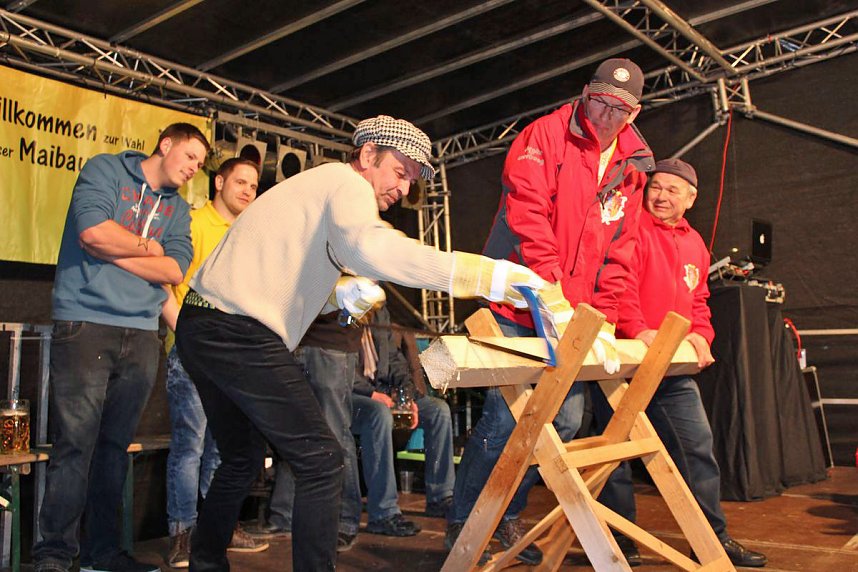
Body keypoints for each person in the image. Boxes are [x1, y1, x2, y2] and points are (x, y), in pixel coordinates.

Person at [173, 114, 556, 572]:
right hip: (234, 329)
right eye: (400, 173)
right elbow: (371, 249)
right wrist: (482, 274)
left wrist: (338, 298)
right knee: (320, 459)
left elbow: (278, 277)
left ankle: (206, 561)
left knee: (241, 456)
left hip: (203, 323)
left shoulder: (321, 196)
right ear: (368, 154)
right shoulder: (344, 183)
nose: (403, 190)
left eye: (412, 182)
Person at [447, 58, 655, 566]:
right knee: (505, 418)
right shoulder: (544, 135)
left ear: (635, 112)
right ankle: (467, 522)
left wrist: (601, 319)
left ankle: (506, 510)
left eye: (619, 109)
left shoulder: (633, 166)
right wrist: (553, 296)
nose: (605, 116)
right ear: (586, 92)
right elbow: (528, 217)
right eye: (600, 101)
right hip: (520, 300)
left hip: (575, 315)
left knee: (565, 419)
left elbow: (621, 250)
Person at [33, 123, 209, 572]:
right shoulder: (106, 171)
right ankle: (53, 554)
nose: (194, 169)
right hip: (87, 322)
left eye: (200, 165)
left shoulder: (178, 211)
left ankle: (102, 553)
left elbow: (174, 269)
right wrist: (145, 248)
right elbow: (91, 232)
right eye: (190, 157)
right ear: (166, 144)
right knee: (75, 445)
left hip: (142, 332)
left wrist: (119, 249)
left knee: (114, 448)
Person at [592, 158, 768, 568]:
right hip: (624, 360)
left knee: (697, 447)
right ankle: (620, 542)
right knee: (613, 452)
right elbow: (619, 285)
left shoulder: (695, 244)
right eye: (656, 186)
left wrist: (700, 336)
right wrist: (636, 329)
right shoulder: (629, 227)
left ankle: (711, 540)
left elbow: (699, 301)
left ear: (691, 199)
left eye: (673, 190)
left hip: (671, 367)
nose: (661, 195)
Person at [257, 303, 455, 550]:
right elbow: (338, 371)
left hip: (381, 393)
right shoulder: (339, 313)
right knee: (378, 415)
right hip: (353, 394)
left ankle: (440, 497)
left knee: (438, 411)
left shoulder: (380, 312)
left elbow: (394, 359)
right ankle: (383, 511)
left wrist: (407, 395)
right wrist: (372, 394)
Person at [160, 158, 268, 568]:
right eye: (239, 181)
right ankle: (183, 532)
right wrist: (186, 337)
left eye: (253, 185)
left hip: (232, 358)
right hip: (192, 355)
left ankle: (217, 528)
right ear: (218, 181)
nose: (246, 190)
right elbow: (165, 285)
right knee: (189, 446)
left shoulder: (247, 234)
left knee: (225, 449)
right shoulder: (193, 224)